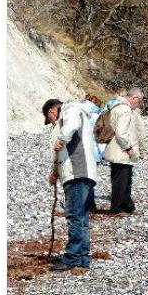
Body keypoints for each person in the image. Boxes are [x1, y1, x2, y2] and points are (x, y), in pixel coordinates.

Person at [42, 97, 98, 271]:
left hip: (76, 172)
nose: (52, 122)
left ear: (52, 111)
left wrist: (61, 138)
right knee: (81, 218)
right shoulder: (75, 113)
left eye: (50, 119)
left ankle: (72, 257)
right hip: (85, 172)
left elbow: (70, 127)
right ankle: (82, 259)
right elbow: (60, 155)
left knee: (74, 216)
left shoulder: (70, 109)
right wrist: (55, 173)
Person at [105, 88, 146, 215]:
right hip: (121, 151)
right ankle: (116, 209)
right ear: (134, 98)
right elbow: (121, 133)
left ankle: (127, 206)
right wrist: (128, 148)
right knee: (121, 181)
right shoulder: (125, 110)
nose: (138, 104)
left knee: (125, 180)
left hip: (116, 149)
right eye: (139, 101)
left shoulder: (117, 106)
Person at [79, 93, 103, 211]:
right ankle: (90, 204)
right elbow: (100, 134)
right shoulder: (96, 114)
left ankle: (83, 203)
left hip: (79, 149)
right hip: (93, 150)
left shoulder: (77, 110)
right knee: (90, 179)